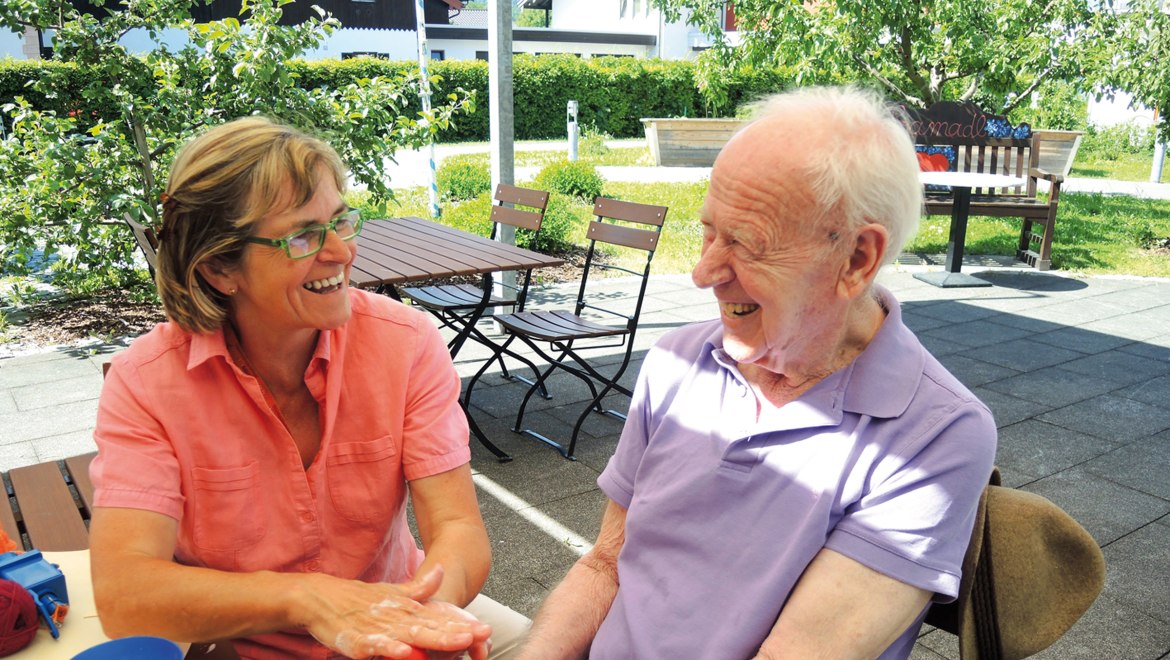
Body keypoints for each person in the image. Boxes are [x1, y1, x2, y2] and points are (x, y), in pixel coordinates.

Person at [517, 86, 998, 659]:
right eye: (709, 231)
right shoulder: (677, 362)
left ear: (857, 259)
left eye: (746, 243)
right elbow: (605, 564)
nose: (702, 271)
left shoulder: (935, 434)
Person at [89, 116, 528, 659]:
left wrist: (425, 613)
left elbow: (457, 526)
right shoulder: (147, 383)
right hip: (239, 643)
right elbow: (125, 595)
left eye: (341, 222)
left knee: (549, 644)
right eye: (302, 236)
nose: (341, 253)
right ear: (220, 269)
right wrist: (307, 599)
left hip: (398, 606)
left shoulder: (406, 344)